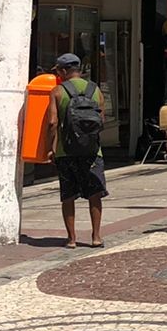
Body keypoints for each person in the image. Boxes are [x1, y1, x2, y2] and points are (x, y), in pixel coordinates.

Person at [43, 53, 107, 247]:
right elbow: (101, 121)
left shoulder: (57, 91)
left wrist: (50, 148)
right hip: (93, 152)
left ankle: (72, 239)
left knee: (68, 195)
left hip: (66, 151)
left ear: (63, 71)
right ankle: (96, 237)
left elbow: (53, 122)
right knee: (94, 195)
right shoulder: (96, 90)